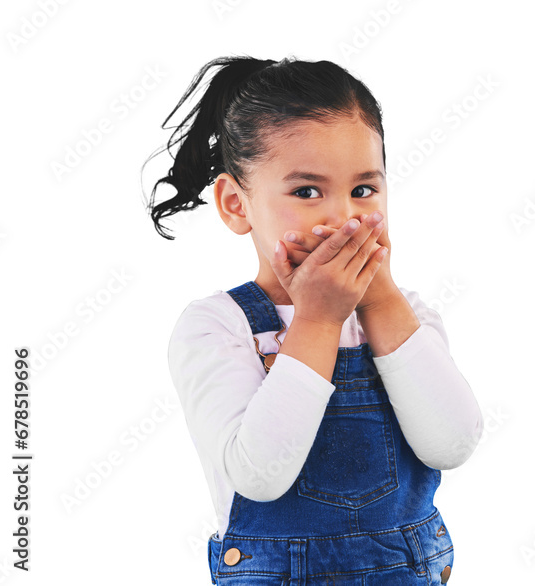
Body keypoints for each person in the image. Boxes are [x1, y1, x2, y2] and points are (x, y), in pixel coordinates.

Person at [145, 54, 482, 585]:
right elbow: (259, 475)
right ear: (236, 204)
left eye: (363, 190)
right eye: (306, 192)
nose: (342, 218)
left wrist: (380, 301)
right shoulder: (218, 327)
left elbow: (452, 444)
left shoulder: (409, 316)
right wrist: (319, 322)